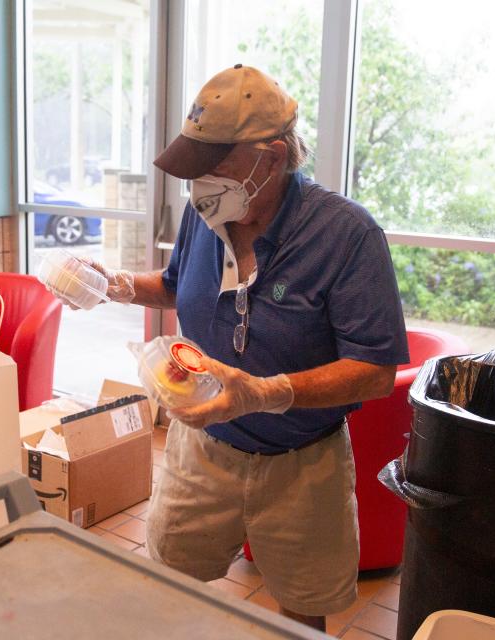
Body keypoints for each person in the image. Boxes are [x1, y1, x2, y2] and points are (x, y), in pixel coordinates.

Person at [56, 65, 409, 630]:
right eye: (193, 171)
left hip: (304, 463)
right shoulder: (211, 215)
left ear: (270, 157)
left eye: (213, 167)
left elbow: (374, 369)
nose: (197, 186)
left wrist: (267, 393)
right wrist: (115, 284)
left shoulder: (345, 235)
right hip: (202, 448)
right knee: (170, 588)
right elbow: (175, 285)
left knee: (300, 613)